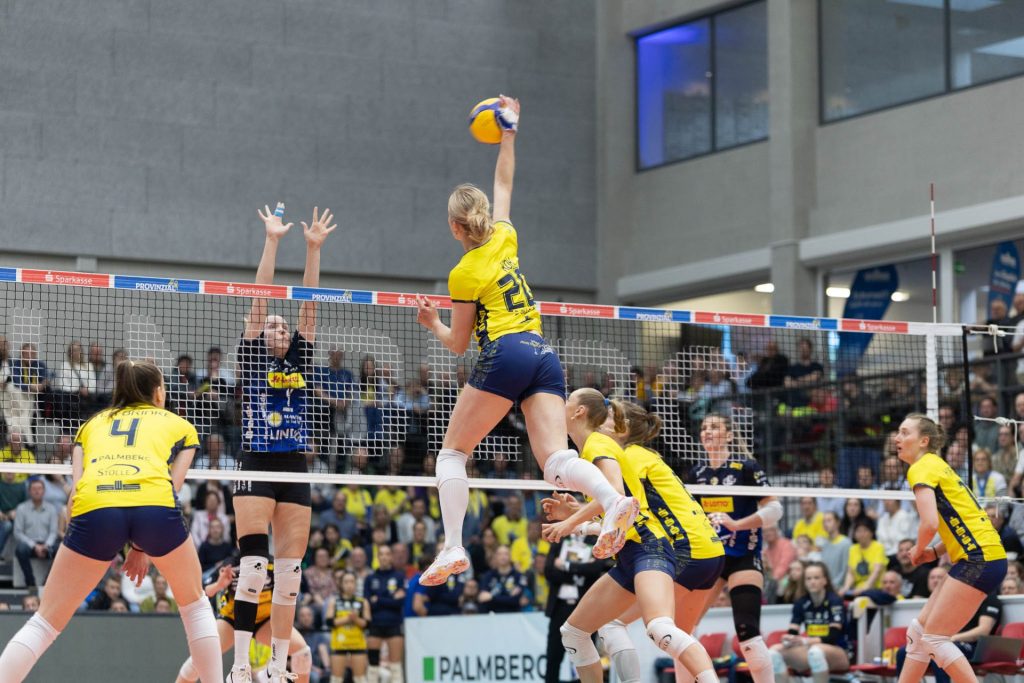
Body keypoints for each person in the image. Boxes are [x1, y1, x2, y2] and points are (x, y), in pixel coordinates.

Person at [413, 96, 636, 586]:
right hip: (543, 353)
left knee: (452, 454)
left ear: (454, 227)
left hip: (507, 352)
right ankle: (613, 499)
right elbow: (504, 183)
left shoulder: (463, 272)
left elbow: (458, 344)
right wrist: (509, 133)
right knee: (555, 462)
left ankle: (453, 546)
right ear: (483, 217)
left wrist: (432, 323)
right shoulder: (505, 235)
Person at [0, 360, 222, 682]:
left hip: (96, 507)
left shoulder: (91, 425)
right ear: (158, 393)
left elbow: (74, 498)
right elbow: (172, 488)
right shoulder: (179, 425)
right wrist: (142, 545)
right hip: (154, 506)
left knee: (44, 622)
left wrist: (93, 537)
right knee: (196, 606)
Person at [541, 389, 719, 683]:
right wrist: (576, 517)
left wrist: (570, 522)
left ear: (579, 412)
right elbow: (616, 508)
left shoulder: (598, 444)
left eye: (568, 400)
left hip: (650, 547)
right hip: (630, 553)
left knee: (661, 629)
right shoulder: (591, 451)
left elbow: (615, 494)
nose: (562, 404)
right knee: (573, 633)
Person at [229, 204, 337, 683]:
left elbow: (308, 303)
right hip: (255, 462)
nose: (278, 327)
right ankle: (239, 666)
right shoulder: (253, 356)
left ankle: (276, 668)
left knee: (290, 578)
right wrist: (272, 241)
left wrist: (313, 249)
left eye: (282, 325)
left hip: (293, 467)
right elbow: (260, 296)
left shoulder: (301, 358)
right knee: (254, 569)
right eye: (271, 324)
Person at [895, 413, 1007, 683]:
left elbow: (930, 524)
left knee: (934, 638)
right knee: (919, 631)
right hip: (982, 555)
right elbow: (961, 522)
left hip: (979, 558)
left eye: (905, 432)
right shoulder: (938, 465)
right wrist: (934, 552)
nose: (897, 438)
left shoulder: (921, 468)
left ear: (924, 441)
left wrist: (918, 550)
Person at [687, 412, 783, 683]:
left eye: (714, 427)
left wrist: (737, 525)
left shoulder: (746, 468)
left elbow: (775, 509)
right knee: (684, 629)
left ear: (729, 435)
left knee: (747, 633)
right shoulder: (697, 474)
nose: (707, 431)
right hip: (711, 558)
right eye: (704, 427)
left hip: (744, 556)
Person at [175, 559, 312, 683]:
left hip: (264, 621)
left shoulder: (273, 564)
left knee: (303, 654)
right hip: (233, 621)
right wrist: (219, 585)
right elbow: (204, 592)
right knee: (198, 661)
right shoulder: (229, 565)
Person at [542, 531, 609, 683]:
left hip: (584, 607)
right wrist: (579, 574)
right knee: (553, 655)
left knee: (586, 657)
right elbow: (549, 571)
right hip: (559, 607)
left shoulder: (594, 540)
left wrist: (565, 565)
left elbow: (595, 569)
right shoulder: (559, 540)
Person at [769, 562, 849, 683]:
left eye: (816, 578)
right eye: (808, 579)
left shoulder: (835, 601)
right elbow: (793, 631)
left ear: (825, 580)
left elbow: (833, 636)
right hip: (811, 648)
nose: (812, 582)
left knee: (815, 652)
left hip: (838, 651)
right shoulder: (801, 603)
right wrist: (789, 640)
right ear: (804, 582)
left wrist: (805, 641)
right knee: (773, 652)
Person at [364, 544, 405, 683]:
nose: (384, 557)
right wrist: (390, 598)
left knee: (395, 666)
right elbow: (368, 603)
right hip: (375, 624)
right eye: (381, 554)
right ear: (378, 557)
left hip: (394, 624)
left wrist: (379, 599)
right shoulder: (370, 578)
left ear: (391, 557)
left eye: (387, 554)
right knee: (373, 666)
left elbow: (399, 603)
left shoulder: (399, 576)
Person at [326, 571, 371, 683]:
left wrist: (356, 619)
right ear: (341, 584)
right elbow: (329, 622)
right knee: (336, 679)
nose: (349, 585)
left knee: (360, 679)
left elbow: (367, 624)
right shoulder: (334, 601)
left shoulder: (363, 602)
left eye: (352, 582)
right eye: (346, 582)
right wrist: (347, 618)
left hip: (357, 644)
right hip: (339, 644)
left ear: (356, 584)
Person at [12, 478, 57, 588]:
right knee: (20, 549)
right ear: (29, 491)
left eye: (39, 488)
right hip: (29, 546)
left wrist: (46, 545)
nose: (37, 491)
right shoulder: (21, 508)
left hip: (46, 546)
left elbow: (53, 532)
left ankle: (47, 583)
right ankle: (30, 583)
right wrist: (34, 546)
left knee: (60, 550)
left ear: (44, 491)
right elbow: (18, 532)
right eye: (34, 489)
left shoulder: (51, 509)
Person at [840, 519, 887, 596]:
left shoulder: (878, 547)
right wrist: (846, 587)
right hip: (857, 590)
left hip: (876, 589)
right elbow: (850, 573)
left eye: (865, 530)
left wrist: (865, 587)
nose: (861, 534)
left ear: (871, 533)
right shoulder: (853, 549)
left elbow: (876, 571)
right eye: (858, 531)